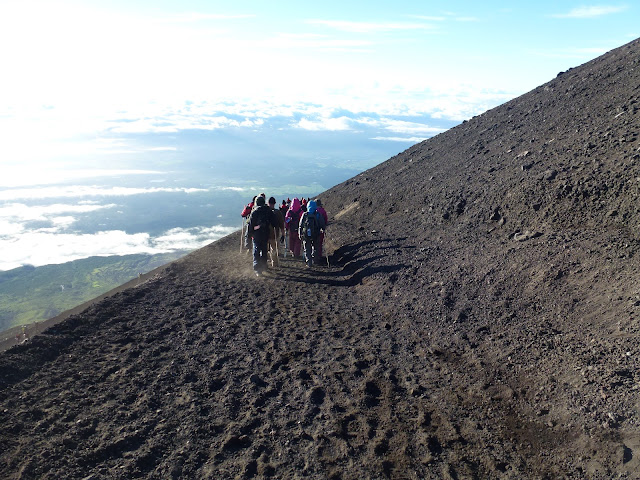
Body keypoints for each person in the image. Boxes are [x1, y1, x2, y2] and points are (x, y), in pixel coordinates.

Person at [246, 196, 277, 276]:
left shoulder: (255, 212)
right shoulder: (268, 211)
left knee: (256, 250)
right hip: (265, 233)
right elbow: (274, 222)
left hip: (257, 235)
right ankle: (264, 266)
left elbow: (250, 225)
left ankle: (257, 269)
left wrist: (248, 238)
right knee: (264, 250)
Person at [298, 200, 326, 267]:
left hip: (306, 235)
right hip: (316, 234)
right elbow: (322, 224)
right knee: (315, 247)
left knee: (307, 248)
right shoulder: (318, 214)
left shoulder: (304, 214)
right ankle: (315, 259)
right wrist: (323, 229)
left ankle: (309, 263)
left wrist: (299, 233)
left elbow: (300, 225)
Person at [268, 197, 285, 267]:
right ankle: (274, 263)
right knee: (274, 249)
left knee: (265, 249)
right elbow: (282, 225)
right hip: (274, 234)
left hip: (265, 234)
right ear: (274, 203)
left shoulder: (264, 211)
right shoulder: (278, 212)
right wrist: (283, 234)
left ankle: (265, 262)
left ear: (268, 203)